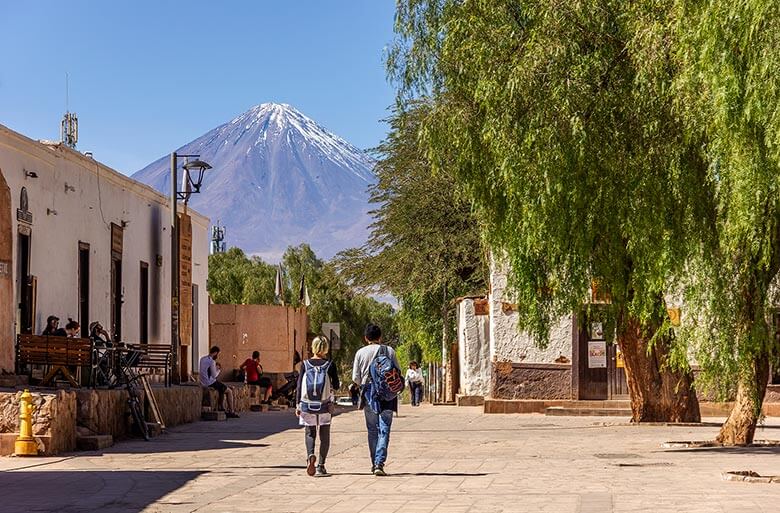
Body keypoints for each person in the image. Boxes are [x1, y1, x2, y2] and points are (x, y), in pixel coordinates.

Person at [352, 323, 401, 476]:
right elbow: (397, 372)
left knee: (372, 429)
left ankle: (374, 463)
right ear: (380, 337)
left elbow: (356, 378)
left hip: (368, 393)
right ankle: (380, 462)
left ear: (366, 338)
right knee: (384, 428)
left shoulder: (360, 353)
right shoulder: (389, 351)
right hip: (388, 394)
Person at [296, 336, 340, 477]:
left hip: (307, 404)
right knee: (324, 434)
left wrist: (297, 405)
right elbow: (337, 385)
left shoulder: (305, 364)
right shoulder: (330, 365)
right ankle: (321, 466)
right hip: (324, 405)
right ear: (325, 348)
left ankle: (310, 456)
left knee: (310, 433)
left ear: (313, 347)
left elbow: (298, 386)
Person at [199, 346, 239, 418]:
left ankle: (221, 406)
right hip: (210, 382)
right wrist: (218, 369)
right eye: (217, 354)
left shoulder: (202, 359)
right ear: (215, 353)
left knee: (223, 387)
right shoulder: (212, 361)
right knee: (229, 391)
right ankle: (231, 411)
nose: (217, 356)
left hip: (203, 382)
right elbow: (214, 375)